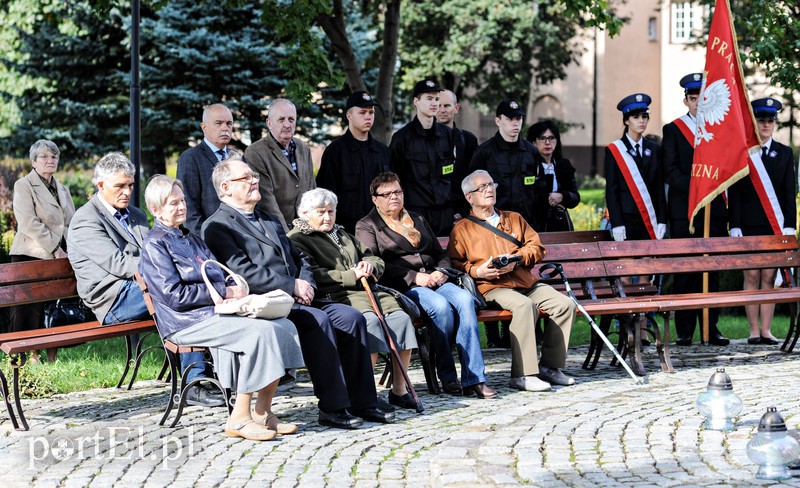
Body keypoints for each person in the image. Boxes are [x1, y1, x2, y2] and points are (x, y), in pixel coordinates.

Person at [202, 158, 395, 428]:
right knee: (319, 321)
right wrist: (290, 286)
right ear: (226, 187)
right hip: (266, 303)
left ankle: (364, 401)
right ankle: (333, 407)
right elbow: (243, 272)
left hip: (300, 298)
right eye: (246, 178)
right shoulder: (218, 226)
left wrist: (305, 283)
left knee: (352, 318)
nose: (254, 180)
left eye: (254, 175)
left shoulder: (266, 217)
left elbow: (299, 256)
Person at [140, 175, 304, 441]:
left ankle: (263, 411)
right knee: (257, 333)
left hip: (217, 312)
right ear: (156, 210)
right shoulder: (155, 244)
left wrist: (234, 286)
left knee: (283, 325)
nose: (182, 207)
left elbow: (218, 272)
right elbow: (174, 296)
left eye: (182, 201)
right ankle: (239, 418)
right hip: (187, 322)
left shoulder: (190, 238)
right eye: (173, 204)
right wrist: (221, 293)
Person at [68, 153, 221, 408]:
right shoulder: (86, 220)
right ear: (100, 185)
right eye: (120, 186)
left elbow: (158, 252)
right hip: (112, 299)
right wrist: (170, 270)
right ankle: (194, 382)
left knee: (178, 292)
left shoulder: (136, 214)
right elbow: (118, 264)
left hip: (143, 285)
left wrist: (170, 270)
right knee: (173, 292)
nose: (127, 191)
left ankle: (207, 374)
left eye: (130, 185)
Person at [356, 172, 496, 399]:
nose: (394, 197)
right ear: (375, 199)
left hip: (436, 278)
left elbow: (440, 253)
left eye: (398, 192)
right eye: (387, 193)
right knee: (440, 307)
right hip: (403, 285)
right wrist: (414, 277)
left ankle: (474, 379)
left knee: (464, 300)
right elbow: (377, 264)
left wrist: (440, 270)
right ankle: (448, 375)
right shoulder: (368, 225)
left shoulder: (417, 218)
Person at [288, 188, 422, 409]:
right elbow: (313, 274)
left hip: (370, 291)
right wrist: (351, 275)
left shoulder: (341, 234)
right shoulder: (298, 239)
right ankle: (365, 392)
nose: (327, 217)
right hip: (338, 296)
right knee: (370, 323)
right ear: (305, 213)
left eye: (331, 211)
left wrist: (369, 266)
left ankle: (399, 390)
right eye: (321, 212)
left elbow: (373, 257)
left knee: (401, 320)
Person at [448, 170, 576, 392]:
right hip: (492, 287)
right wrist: (478, 271)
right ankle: (523, 375)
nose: (489, 189)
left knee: (565, 305)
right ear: (469, 197)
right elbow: (454, 265)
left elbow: (537, 247)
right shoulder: (462, 229)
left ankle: (550, 367)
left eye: (491, 184)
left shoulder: (514, 218)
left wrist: (518, 260)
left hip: (524, 281)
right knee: (524, 306)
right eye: (482, 187)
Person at [662, 73, 729, 346]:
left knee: (712, 272)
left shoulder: (718, 130)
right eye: (693, 98)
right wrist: (696, 188)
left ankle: (710, 327)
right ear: (686, 100)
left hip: (713, 212)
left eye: (702, 98)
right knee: (686, 272)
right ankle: (685, 330)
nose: (698, 103)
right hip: (686, 213)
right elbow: (670, 171)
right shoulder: (674, 130)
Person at [729, 97, 797, 345]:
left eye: (770, 121)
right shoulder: (744, 153)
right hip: (747, 225)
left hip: (773, 226)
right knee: (751, 277)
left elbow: (790, 193)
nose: (766, 125)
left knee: (768, 277)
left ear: (775, 124)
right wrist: (734, 224)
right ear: (754, 122)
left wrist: (789, 225)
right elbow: (734, 192)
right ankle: (753, 331)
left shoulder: (784, 153)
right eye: (761, 120)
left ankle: (767, 331)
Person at [9, 139, 76, 363]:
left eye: (54, 157)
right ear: (34, 161)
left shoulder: (63, 189)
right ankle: (27, 356)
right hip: (31, 253)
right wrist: (55, 247)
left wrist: (72, 248)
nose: (50, 161)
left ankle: (52, 355)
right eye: (45, 157)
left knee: (53, 307)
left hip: (59, 255)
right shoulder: (23, 185)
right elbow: (28, 222)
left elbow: (70, 223)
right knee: (28, 310)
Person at [390, 79, 461, 236]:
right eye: (429, 99)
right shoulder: (402, 138)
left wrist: (457, 209)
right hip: (416, 214)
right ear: (416, 101)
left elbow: (455, 176)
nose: (434, 103)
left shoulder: (449, 135)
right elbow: (395, 178)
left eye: (436, 99)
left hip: (445, 214)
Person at [316, 91, 390, 233]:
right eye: (362, 112)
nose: (368, 116)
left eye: (371, 112)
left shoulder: (383, 152)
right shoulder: (335, 151)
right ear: (349, 115)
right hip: (346, 231)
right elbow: (325, 195)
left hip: (381, 229)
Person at [604, 93, 667, 243]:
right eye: (636, 117)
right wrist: (617, 223)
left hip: (650, 217)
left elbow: (659, 187)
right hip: (627, 218)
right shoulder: (615, 150)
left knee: (648, 263)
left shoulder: (655, 149)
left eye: (644, 117)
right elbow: (612, 191)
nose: (641, 121)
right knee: (628, 263)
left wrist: (662, 219)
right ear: (626, 120)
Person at [244, 98, 315, 231]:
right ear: (269, 123)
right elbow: (267, 203)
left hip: (307, 229)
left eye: (291, 119)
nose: (287, 124)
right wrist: (288, 237)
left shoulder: (303, 148)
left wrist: (312, 228)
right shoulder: (255, 152)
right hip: (276, 232)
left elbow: (311, 188)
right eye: (281, 119)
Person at [469, 99, 538, 227]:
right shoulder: (485, 152)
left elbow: (538, 188)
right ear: (498, 121)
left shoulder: (531, 151)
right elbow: (473, 190)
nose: (515, 123)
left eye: (518, 118)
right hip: (494, 224)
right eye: (510, 119)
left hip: (526, 223)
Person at [177, 103, 235, 235]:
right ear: (204, 128)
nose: (225, 128)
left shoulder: (237, 158)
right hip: (211, 240)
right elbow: (189, 208)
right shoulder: (191, 157)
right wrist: (205, 243)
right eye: (218, 123)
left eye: (229, 123)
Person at [526, 120, 581, 232]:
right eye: (542, 138)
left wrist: (562, 196)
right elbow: (526, 198)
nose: (547, 142)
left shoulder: (563, 165)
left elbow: (575, 197)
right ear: (533, 142)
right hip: (535, 225)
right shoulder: (528, 166)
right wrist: (548, 199)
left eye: (551, 138)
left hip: (560, 225)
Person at [437, 89, 478, 216]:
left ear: (456, 108)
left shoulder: (468, 139)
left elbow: (473, 178)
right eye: (438, 105)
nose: (442, 110)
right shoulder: (422, 140)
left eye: (447, 106)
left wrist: (464, 210)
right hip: (434, 212)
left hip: (462, 211)